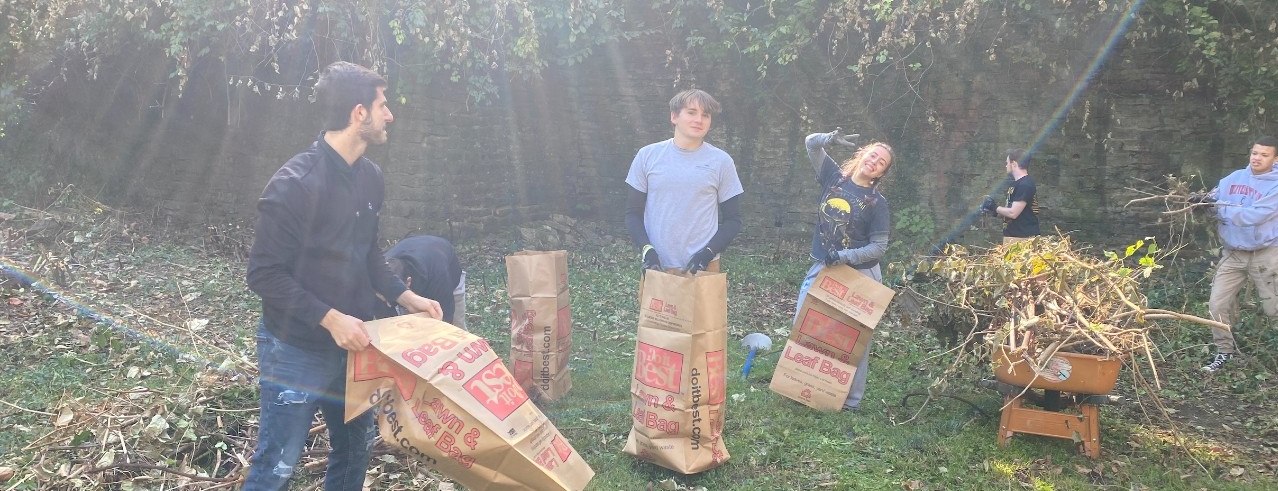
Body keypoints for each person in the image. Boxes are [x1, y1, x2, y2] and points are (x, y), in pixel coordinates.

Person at [243, 61, 442, 491]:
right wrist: (332, 319)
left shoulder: (371, 177)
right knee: (277, 464)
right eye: (383, 105)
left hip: (356, 347)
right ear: (359, 113)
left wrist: (407, 299)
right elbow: (262, 275)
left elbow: (368, 252)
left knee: (354, 452)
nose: (389, 115)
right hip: (296, 348)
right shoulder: (294, 185)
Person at [797, 129, 894, 411]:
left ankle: (850, 402)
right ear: (862, 154)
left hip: (861, 273)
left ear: (881, 173)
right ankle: (806, 389)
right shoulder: (833, 178)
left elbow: (878, 247)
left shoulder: (877, 203)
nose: (874, 161)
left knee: (853, 339)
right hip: (825, 265)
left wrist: (844, 255)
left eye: (881, 162)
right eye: (872, 155)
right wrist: (827, 139)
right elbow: (810, 144)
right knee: (806, 325)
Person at [625, 89, 744, 274]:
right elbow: (632, 213)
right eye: (691, 112)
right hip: (657, 267)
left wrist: (706, 254)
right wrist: (647, 251)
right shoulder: (647, 156)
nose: (699, 120)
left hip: (703, 267)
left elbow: (733, 220)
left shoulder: (722, 162)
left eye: (705, 115)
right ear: (674, 116)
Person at [1201, 136, 1278, 372]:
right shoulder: (1234, 177)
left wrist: (1218, 208)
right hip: (1233, 253)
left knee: (1273, 309)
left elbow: (1251, 216)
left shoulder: (1275, 185)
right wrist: (1202, 200)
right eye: (1255, 153)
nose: (1257, 158)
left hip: (1265, 254)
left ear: (1275, 159)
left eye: (1264, 155)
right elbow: (1215, 194)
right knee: (1217, 304)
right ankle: (1225, 353)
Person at [376, 235, 466, 327]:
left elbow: (446, 320)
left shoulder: (438, 277)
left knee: (457, 328)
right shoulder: (379, 269)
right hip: (419, 252)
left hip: (448, 274)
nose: (388, 303)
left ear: (408, 281)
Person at [982, 148, 1040, 244]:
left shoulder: (1025, 184)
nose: (1006, 165)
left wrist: (994, 207)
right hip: (1014, 238)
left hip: (1022, 240)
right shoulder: (1017, 184)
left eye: (1007, 163)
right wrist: (995, 210)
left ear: (1014, 164)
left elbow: (1013, 213)